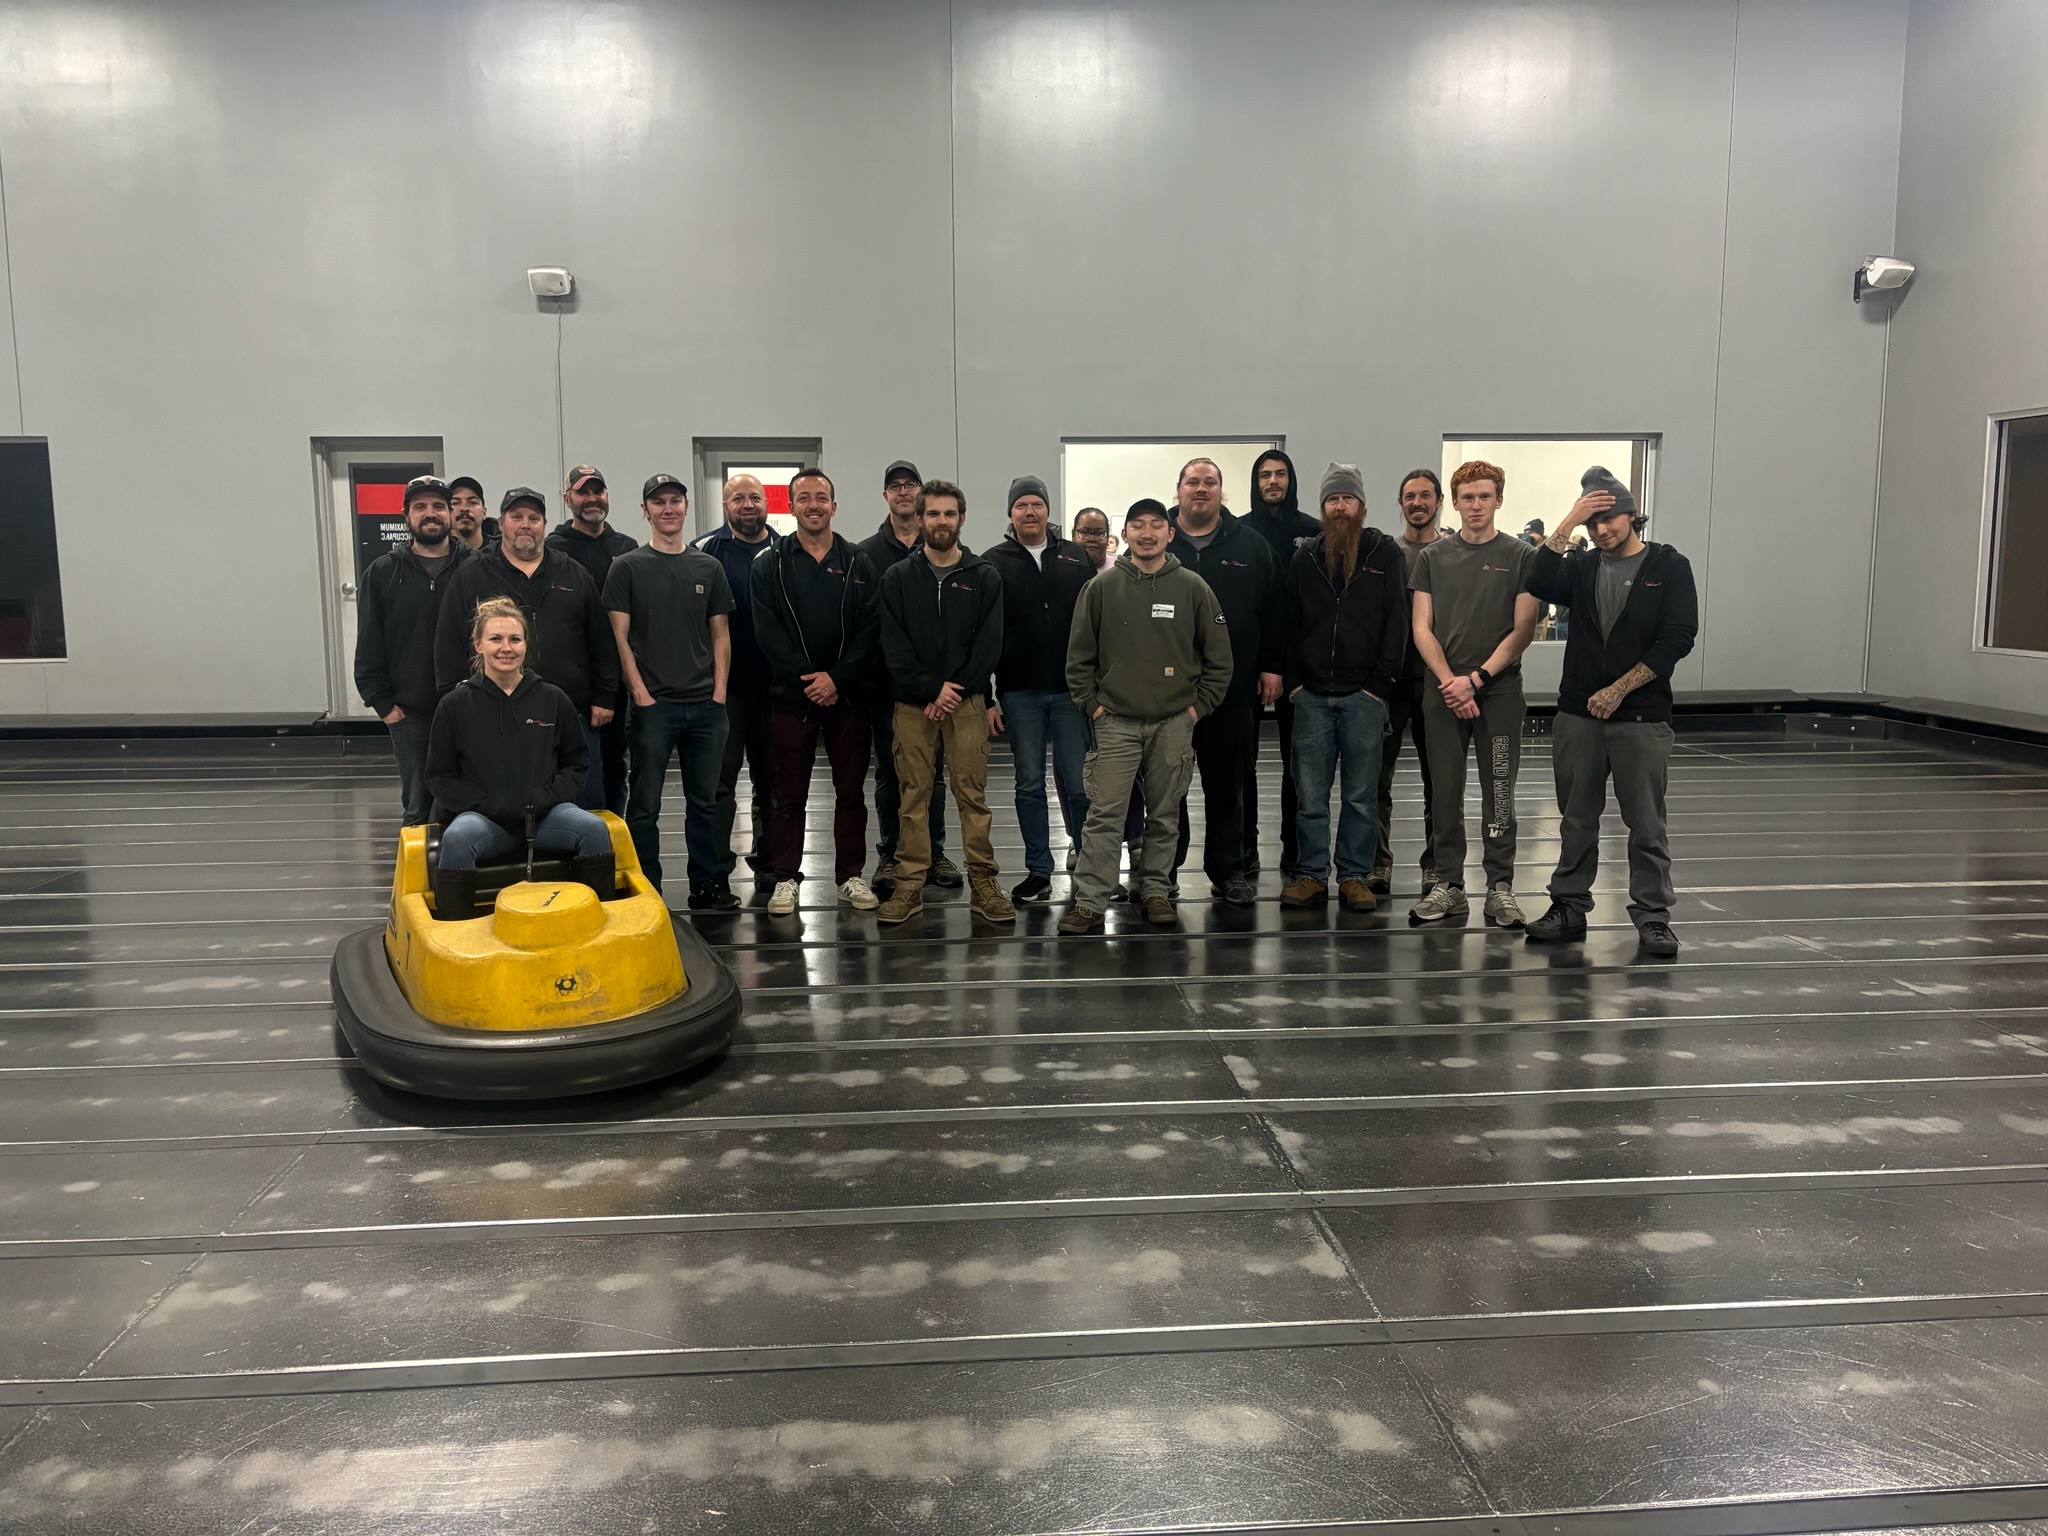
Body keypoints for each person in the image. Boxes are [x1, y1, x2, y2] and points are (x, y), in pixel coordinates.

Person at [1523, 467, 1699, 958]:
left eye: (1610, 519)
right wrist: (1569, 520)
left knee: (1645, 823)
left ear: (1631, 514)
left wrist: (1620, 689)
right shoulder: (1581, 566)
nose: (1601, 531)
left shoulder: (1668, 566)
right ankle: (1569, 906)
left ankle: (1652, 916)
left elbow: (1678, 637)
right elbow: (1536, 578)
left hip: (1640, 716)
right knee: (1576, 818)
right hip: (1579, 714)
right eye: (1592, 523)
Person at [1059, 498, 1232, 934]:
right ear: (1127, 534)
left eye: (1157, 524)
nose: (1148, 533)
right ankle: (1090, 900)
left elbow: (1219, 659)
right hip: (1115, 720)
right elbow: (1078, 658)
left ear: (1170, 533)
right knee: (1104, 815)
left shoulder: (1194, 588)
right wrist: (1093, 707)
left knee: (1164, 813)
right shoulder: (1100, 589)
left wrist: (1196, 709)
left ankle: (1155, 890)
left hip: (1175, 721)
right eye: (1138, 525)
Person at [1408, 459, 1542, 927]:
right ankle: (1448, 884)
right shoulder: (1432, 558)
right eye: (1468, 497)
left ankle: (1500, 886)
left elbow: (1524, 628)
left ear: (1499, 500)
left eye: (1485, 496)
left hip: (1499, 693)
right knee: (1444, 792)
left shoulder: (1522, 556)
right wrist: (1451, 683)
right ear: (1456, 502)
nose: (1476, 505)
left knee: (1498, 792)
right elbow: (1421, 628)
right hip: (1443, 693)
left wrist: (1477, 679)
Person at [423, 596, 612, 921]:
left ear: (526, 645)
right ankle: (455, 938)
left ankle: (602, 928)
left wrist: (543, 799)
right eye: (495, 639)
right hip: (485, 821)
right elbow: (439, 777)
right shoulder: (454, 705)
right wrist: (488, 804)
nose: (505, 648)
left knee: (593, 829)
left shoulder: (553, 699)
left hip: (545, 817)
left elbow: (577, 764)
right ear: (478, 644)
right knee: (456, 838)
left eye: (515, 639)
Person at [875, 482, 1012, 925]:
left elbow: (990, 645)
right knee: (912, 795)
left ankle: (984, 883)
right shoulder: (897, 578)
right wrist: (930, 689)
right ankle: (910, 885)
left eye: (949, 514)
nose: (940, 522)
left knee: (972, 795)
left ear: (962, 519)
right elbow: (893, 647)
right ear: (919, 519)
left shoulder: (984, 576)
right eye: (932, 514)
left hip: (968, 705)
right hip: (913, 707)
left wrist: (951, 691)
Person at [432, 487, 618, 810]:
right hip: (493, 716)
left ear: (545, 524)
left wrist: (604, 696)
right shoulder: (472, 575)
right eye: (516, 517)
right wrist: (453, 697)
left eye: (534, 518)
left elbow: (600, 638)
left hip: (571, 713)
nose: (525, 524)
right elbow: (448, 642)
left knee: (586, 807)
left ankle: (587, 859)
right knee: (504, 806)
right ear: (500, 523)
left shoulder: (573, 573)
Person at [752, 468, 882, 916]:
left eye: (821, 497)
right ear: (790, 506)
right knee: (789, 796)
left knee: (851, 795)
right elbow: (767, 631)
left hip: (848, 698)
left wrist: (837, 679)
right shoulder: (769, 563)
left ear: (834, 505)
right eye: (803, 497)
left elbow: (870, 630)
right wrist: (810, 678)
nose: (813, 504)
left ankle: (850, 875)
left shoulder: (859, 561)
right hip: (792, 697)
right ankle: (786, 878)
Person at [1280, 465, 1409, 913]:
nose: (1340, 507)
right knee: (1310, 795)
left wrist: (1379, 686)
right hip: (1311, 697)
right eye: (1332, 500)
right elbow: (1289, 625)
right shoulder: (1305, 558)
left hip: (1364, 697)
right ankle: (1312, 875)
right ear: (1323, 508)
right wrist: (1295, 684)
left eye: (1347, 499)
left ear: (1362, 507)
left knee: (1360, 795)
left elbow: (1398, 622)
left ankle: (1354, 876)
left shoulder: (1384, 553)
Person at [604, 474, 735, 910]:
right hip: (653, 708)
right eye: (658, 502)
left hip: (705, 707)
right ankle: (648, 889)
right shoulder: (626, 567)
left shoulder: (707, 568)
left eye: (675, 500)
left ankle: (708, 885)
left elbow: (720, 635)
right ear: (645, 510)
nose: (668, 508)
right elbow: (619, 638)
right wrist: (640, 693)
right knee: (644, 805)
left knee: (706, 802)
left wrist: (718, 693)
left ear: (685, 506)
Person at [1165, 457, 1283, 907]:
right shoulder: (1159, 543)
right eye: (1192, 481)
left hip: (1231, 694)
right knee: (1167, 788)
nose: (1200, 489)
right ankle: (1164, 870)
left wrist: (1272, 665)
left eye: (1209, 482)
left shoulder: (1250, 546)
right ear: (1178, 489)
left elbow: (1275, 611)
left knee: (1228, 784)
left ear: (1221, 492)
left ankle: (1229, 869)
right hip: (1167, 696)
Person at [984, 475, 1098, 903]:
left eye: (1037, 504)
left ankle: (1093, 868)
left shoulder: (1075, 557)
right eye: (1021, 505)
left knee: (1080, 784)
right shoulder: (992, 562)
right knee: (1028, 784)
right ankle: (1038, 871)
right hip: (1020, 693)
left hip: (1072, 693)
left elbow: (1095, 623)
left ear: (1048, 510)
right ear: (1010, 513)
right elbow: (983, 632)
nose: (1029, 512)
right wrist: (987, 696)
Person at [858, 460, 955, 892]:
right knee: (889, 776)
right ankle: (890, 855)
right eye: (894, 485)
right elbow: (866, 625)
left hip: (938, 690)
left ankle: (933, 853)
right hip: (885, 686)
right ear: (885, 495)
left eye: (909, 484)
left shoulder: (940, 547)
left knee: (933, 775)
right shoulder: (867, 555)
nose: (902, 491)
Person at [354, 476, 474, 826]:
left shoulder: (476, 566)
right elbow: (369, 640)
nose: (430, 514)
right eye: (420, 507)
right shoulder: (382, 572)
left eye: (438, 506)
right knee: (418, 811)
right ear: (405, 514)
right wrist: (381, 703)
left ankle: (463, 878)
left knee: (472, 806)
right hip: (410, 715)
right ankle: (421, 880)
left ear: (450, 513)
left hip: (470, 709)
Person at [690, 474, 778, 892]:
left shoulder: (786, 549)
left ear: (766, 503)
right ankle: (718, 870)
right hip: (721, 691)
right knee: (718, 785)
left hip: (776, 691)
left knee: (773, 784)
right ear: (725, 506)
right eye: (738, 498)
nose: (747, 504)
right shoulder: (705, 550)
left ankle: (771, 864)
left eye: (755, 497)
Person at [1242, 449, 1320, 881]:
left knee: (1299, 763)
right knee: (1243, 761)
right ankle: (1246, 846)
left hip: (1297, 667)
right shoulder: (1239, 530)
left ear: (1291, 481)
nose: (1273, 481)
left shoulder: (1312, 531)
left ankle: (1295, 849)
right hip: (1249, 665)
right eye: (1265, 475)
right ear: (1256, 482)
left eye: (1281, 474)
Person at [546, 465, 638, 813]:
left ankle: (615, 844)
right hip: (570, 683)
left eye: (597, 491)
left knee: (617, 767)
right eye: (583, 492)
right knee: (574, 770)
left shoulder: (626, 548)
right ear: (567, 497)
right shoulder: (553, 550)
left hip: (618, 684)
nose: (592, 498)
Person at [1375, 468, 1447, 895]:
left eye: (1425, 495)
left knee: (1437, 780)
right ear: (1400, 503)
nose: (1417, 503)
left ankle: (1436, 866)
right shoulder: (1386, 553)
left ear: (1438, 502)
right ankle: (1376, 863)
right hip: (1388, 684)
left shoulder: (1453, 552)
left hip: (1436, 683)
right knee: (1374, 780)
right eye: (1409, 496)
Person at [446, 477, 497, 550]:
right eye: (455, 503)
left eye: (473, 502)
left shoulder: (502, 554)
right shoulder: (435, 554)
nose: (464, 508)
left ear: (484, 512)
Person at [1071, 507, 1117, 573]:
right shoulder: (1061, 567)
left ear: (1107, 538)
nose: (1092, 539)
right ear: (1073, 535)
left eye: (1099, 533)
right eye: (1085, 532)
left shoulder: (1120, 570)